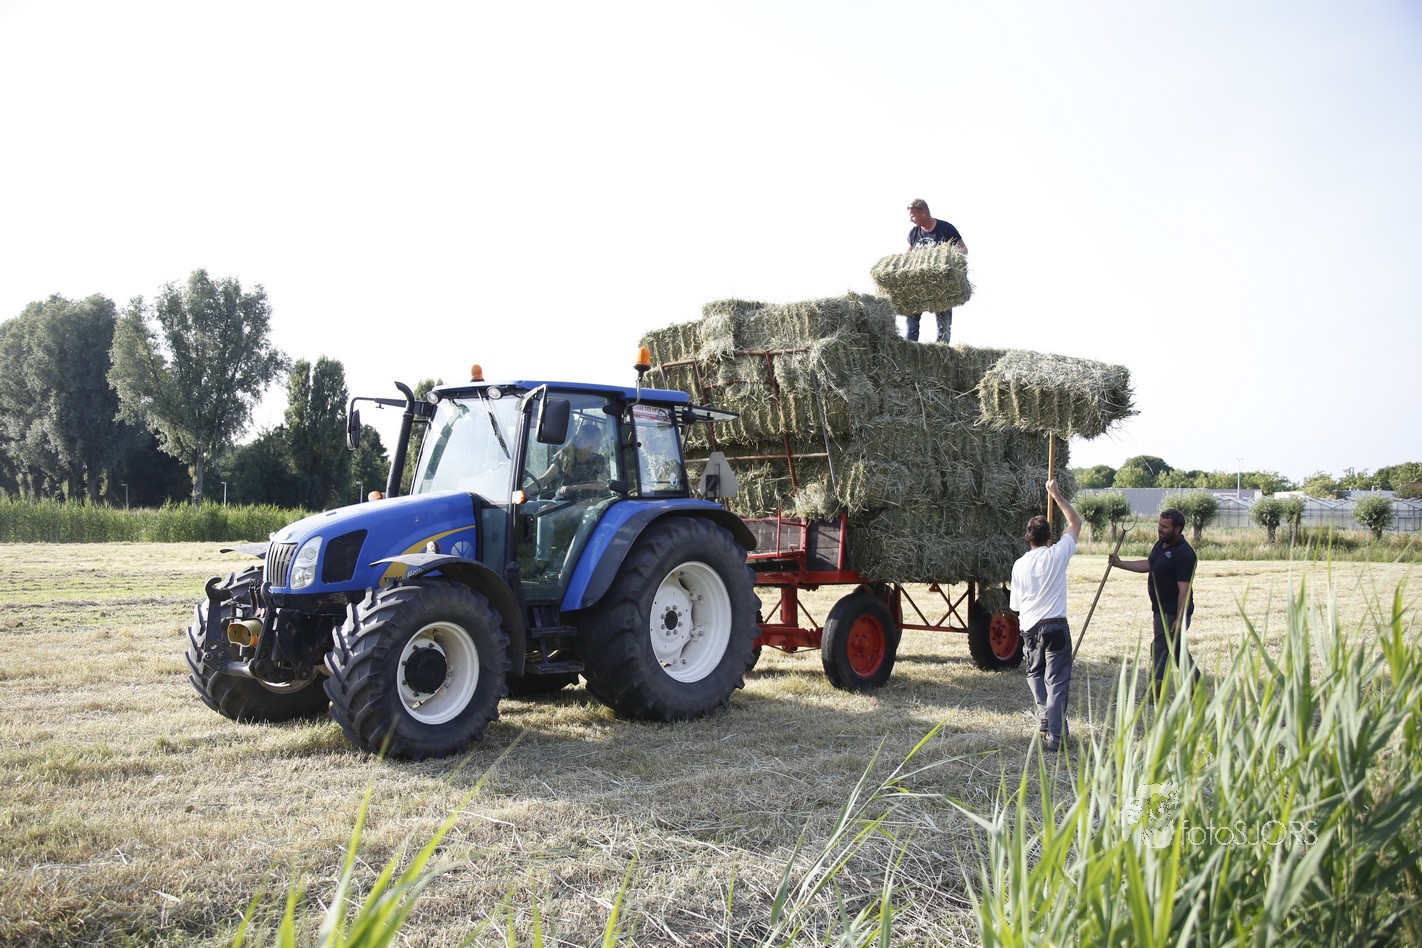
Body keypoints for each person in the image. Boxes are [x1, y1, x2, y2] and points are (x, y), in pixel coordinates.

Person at [1010, 479, 1082, 752]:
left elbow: (1016, 605)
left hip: (1029, 628)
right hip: (1054, 627)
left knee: (1035, 675)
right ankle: (1056, 737)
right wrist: (1057, 496)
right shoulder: (1057, 554)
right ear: (1050, 536)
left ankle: (1045, 718)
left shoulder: (1019, 565)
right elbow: (1075, 523)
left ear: (1027, 538)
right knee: (1057, 682)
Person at [1110, 508, 1199, 698]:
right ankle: (1196, 687)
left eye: (1165, 527)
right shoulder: (1160, 545)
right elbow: (1149, 565)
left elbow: (1184, 590)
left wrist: (1179, 618)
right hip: (1160, 610)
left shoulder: (1184, 554)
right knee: (1176, 651)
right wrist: (1120, 563)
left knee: (1159, 651)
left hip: (1172, 612)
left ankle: (1153, 695)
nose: (1160, 529)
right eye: (1159, 525)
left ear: (1177, 529)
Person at [901, 198, 968, 344]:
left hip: (941, 287)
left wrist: (946, 261)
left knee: (944, 326)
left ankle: (942, 351)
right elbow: (907, 256)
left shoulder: (946, 229)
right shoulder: (914, 233)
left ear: (923, 212)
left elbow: (963, 251)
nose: (911, 220)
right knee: (911, 322)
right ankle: (911, 347)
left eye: (913, 216)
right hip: (918, 286)